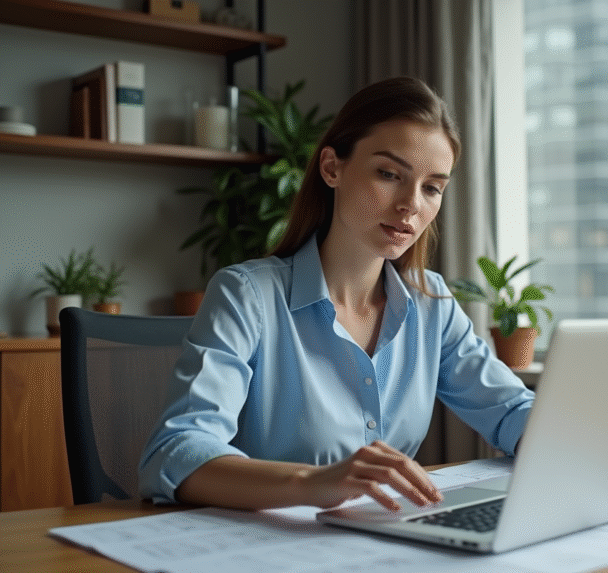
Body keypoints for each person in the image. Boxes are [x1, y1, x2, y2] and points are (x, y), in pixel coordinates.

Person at [139, 76, 535, 512]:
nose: (411, 204)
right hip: (273, 539)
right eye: (389, 174)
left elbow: (511, 410)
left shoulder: (431, 304)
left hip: (386, 535)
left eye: (432, 187)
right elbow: (174, 453)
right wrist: (313, 482)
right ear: (332, 168)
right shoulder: (247, 296)